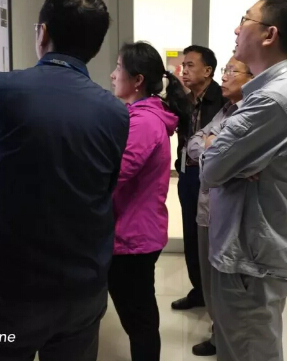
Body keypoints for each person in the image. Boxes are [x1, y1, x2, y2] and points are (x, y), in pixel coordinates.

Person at [0, 0, 129, 361]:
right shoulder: (115, 112)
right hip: (83, 287)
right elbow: (105, 185)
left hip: (12, 287)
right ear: (95, 46)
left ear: (43, 33)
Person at [200, 0, 287, 361]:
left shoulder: (273, 99)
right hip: (249, 252)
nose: (237, 29)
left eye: (245, 20)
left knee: (248, 349)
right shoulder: (270, 92)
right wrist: (232, 160)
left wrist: (217, 148)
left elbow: (211, 168)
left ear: (269, 34)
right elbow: (219, 161)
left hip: (250, 258)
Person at [108, 41, 191, 361]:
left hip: (133, 237)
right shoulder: (141, 115)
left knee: (139, 318)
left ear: (137, 80)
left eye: (118, 68)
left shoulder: (144, 122)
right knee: (139, 313)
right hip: (134, 231)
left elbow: (115, 174)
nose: (113, 75)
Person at [186, 56, 253, 357]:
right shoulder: (226, 109)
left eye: (231, 71)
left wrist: (212, 146)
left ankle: (228, 341)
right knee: (209, 280)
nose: (224, 77)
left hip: (231, 212)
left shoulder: (253, 113)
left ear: (252, 77)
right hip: (207, 208)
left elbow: (230, 160)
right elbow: (194, 143)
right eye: (224, 70)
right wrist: (211, 145)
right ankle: (218, 334)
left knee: (230, 285)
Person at [172, 45, 227, 311]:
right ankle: (199, 291)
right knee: (191, 235)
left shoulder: (223, 99)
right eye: (183, 65)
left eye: (190, 65)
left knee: (212, 236)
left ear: (208, 71)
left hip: (212, 177)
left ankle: (217, 296)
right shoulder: (184, 99)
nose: (184, 70)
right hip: (187, 174)